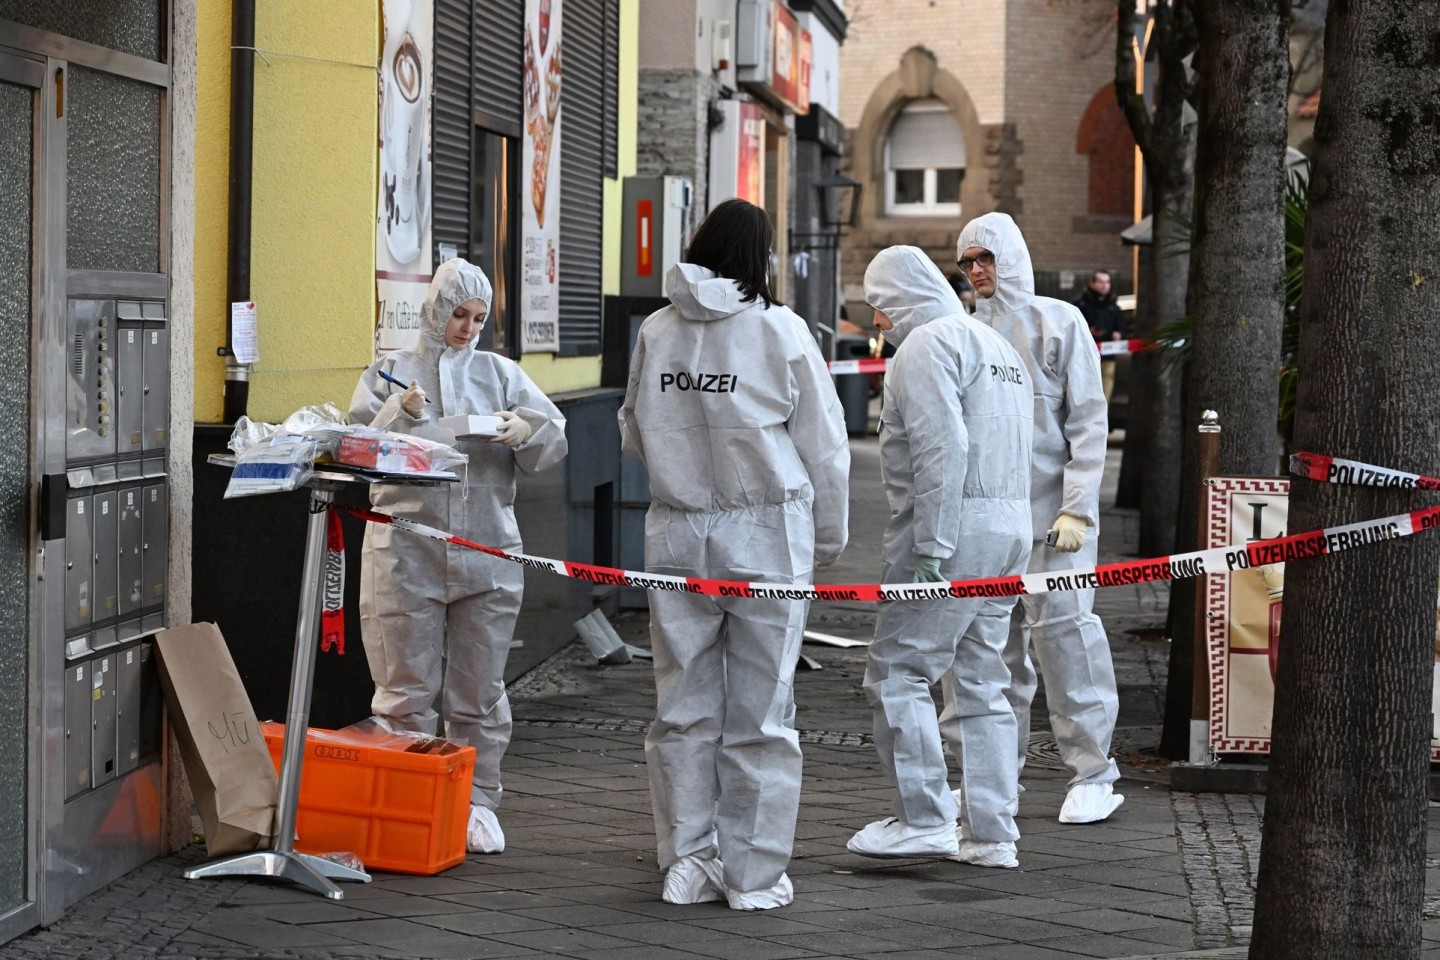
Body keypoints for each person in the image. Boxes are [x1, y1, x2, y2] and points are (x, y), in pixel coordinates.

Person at [619, 198, 850, 910]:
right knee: (762, 711)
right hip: (767, 536)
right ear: (761, 256)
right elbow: (826, 447)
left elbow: (633, 428)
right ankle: (752, 874)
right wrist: (829, 538)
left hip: (678, 533)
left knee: (682, 706)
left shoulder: (657, 330)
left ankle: (686, 861)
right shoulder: (779, 331)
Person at [350, 259, 568, 855]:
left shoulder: (500, 373)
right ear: (435, 311)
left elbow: (552, 437)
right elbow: (359, 450)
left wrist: (526, 430)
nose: (469, 327)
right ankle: (404, 801)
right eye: (459, 315)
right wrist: (404, 415)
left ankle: (479, 802)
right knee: (404, 690)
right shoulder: (389, 373)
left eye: (478, 317)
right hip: (407, 551)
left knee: (480, 691)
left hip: (488, 550)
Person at [845, 246, 1033, 869]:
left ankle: (924, 817)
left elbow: (941, 448)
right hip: (1008, 532)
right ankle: (992, 832)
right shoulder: (994, 346)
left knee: (898, 671)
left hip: (953, 535)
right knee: (982, 681)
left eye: (878, 307)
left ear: (900, 297)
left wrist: (931, 545)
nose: (878, 323)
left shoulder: (925, 348)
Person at [956, 213, 1123, 825]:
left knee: (1067, 640)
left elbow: (1087, 422)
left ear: (1012, 257)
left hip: (1057, 518)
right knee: (994, 652)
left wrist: (1078, 507)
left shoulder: (1060, 321)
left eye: (986, 258)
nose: (977, 271)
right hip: (994, 519)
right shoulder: (965, 331)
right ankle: (999, 777)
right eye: (969, 261)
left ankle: (1094, 771)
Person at [1073, 270, 1124, 403]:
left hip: (1107, 356)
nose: (1104, 285)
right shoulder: (1080, 305)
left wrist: (1118, 334)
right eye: (1101, 282)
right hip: (1085, 356)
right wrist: (1089, 331)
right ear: (1092, 283)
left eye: (1107, 282)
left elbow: (1121, 328)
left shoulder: (1114, 307)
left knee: (1105, 393)